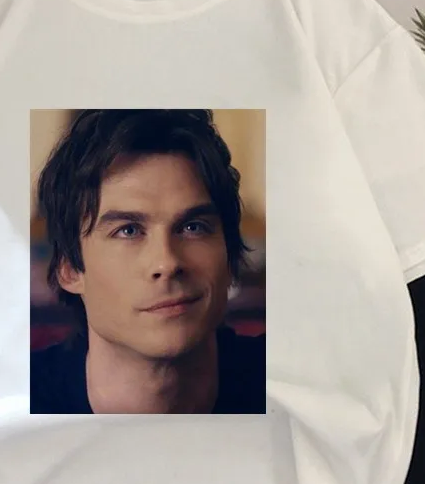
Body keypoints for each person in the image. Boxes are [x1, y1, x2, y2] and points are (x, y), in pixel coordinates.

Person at [30, 109, 266, 415]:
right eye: (128, 231)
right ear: (70, 269)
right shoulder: (5, 412)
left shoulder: (294, 396)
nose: (167, 263)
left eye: (193, 227)